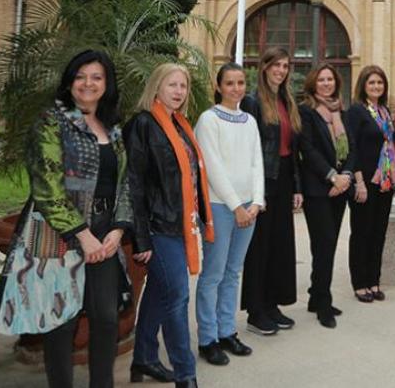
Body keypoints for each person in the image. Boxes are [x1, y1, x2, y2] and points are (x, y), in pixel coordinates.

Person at [0, 50, 134, 388]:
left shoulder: (113, 127)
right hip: (61, 232)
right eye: (81, 76)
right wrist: (82, 235)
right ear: (70, 82)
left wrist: (117, 229)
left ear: (107, 84)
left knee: (104, 318)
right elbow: (47, 187)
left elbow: (127, 181)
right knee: (61, 320)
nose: (88, 83)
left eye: (96, 77)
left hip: (105, 233)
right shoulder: (51, 121)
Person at [127, 63, 214, 388]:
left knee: (159, 292)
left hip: (182, 225)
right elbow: (134, 184)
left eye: (183, 86)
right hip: (157, 226)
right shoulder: (142, 124)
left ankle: (144, 359)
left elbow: (192, 178)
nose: (179, 91)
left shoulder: (181, 125)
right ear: (156, 87)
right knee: (177, 296)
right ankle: (184, 373)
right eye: (172, 85)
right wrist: (141, 238)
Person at [193, 63, 262, 365]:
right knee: (213, 274)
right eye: (230, 83)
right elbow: (211, 167)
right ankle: (207, 338)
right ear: (219, 86)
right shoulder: (208, 120)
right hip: (222, 207)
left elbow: (256, 162)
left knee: (233, 273)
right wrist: (236, 206)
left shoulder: (249, 120)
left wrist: (257, 202)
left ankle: (226, 331)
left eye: (241, 82)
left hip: (249, 208)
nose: (236, 88)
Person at [241, 47, 303, 336]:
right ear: (264, 67)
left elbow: (292, 149)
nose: (281, 70)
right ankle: (256, 310)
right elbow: (250, 151)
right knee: (259, 248)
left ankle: (272, 303)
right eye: (276, 65)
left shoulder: (286, 100)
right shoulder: (253, 102)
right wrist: (256, 192)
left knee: (280, 246)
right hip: (262, 183)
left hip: (284, 179)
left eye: (285, 65)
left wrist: (297, 187)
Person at [298, 63, 354, 328]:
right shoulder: (307, 112)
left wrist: (347, 177)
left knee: (328, 245)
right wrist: (332, 175)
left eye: (330, 79)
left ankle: (314, 295)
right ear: (313, 83)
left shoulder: (342, 109)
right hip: (318, 189)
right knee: (323, 244)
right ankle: (323, 302)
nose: (326, 83)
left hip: (340, 187)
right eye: (321, 80)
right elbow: (307, 149)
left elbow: (353, 147)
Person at [345, 65, 395, 304]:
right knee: (361, 233)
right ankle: (360, 283)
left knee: (378, 233)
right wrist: (358, 182)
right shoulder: (356, 111)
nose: (376, 87)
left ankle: (373, 280)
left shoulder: (384, 112)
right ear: (363, 86)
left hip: (384, 183)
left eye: (380, 83)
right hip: (364, 181)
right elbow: (352, 147)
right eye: (372, 83)